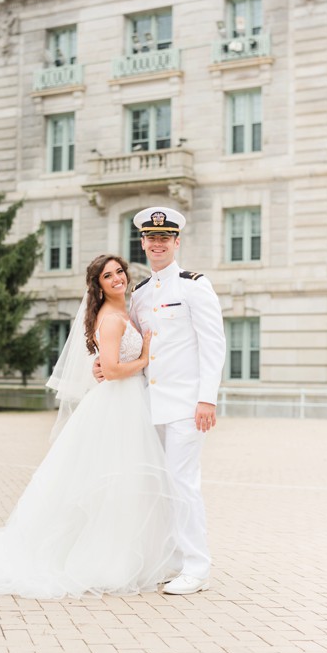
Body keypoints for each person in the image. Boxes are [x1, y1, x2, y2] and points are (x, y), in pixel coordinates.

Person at [0, 255, 180, 598]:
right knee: (109, 480)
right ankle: (104, 562)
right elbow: (109, 369)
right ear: (98, 285)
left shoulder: (128, 309)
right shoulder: (110, 319)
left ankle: (124, 556)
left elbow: (104, 365)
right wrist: (145, 356)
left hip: (128, 403)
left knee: (125, 482)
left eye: (119, 271)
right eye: (108, 276)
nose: (117, 278)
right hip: (116, 405)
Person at [102, 206, 225, 596]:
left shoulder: (193, 285)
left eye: (164, 238)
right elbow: (132, 342)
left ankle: (197, 567)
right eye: (150, 238)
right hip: (150, 404)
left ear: (176, 242)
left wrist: (207, 399)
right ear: (141, 243)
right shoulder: (139, 294)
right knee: (160, 485)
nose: (157, 244)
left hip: (188, 406)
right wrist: (102, 365)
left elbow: (213, 344)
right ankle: (172, 562)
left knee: (182, 483)